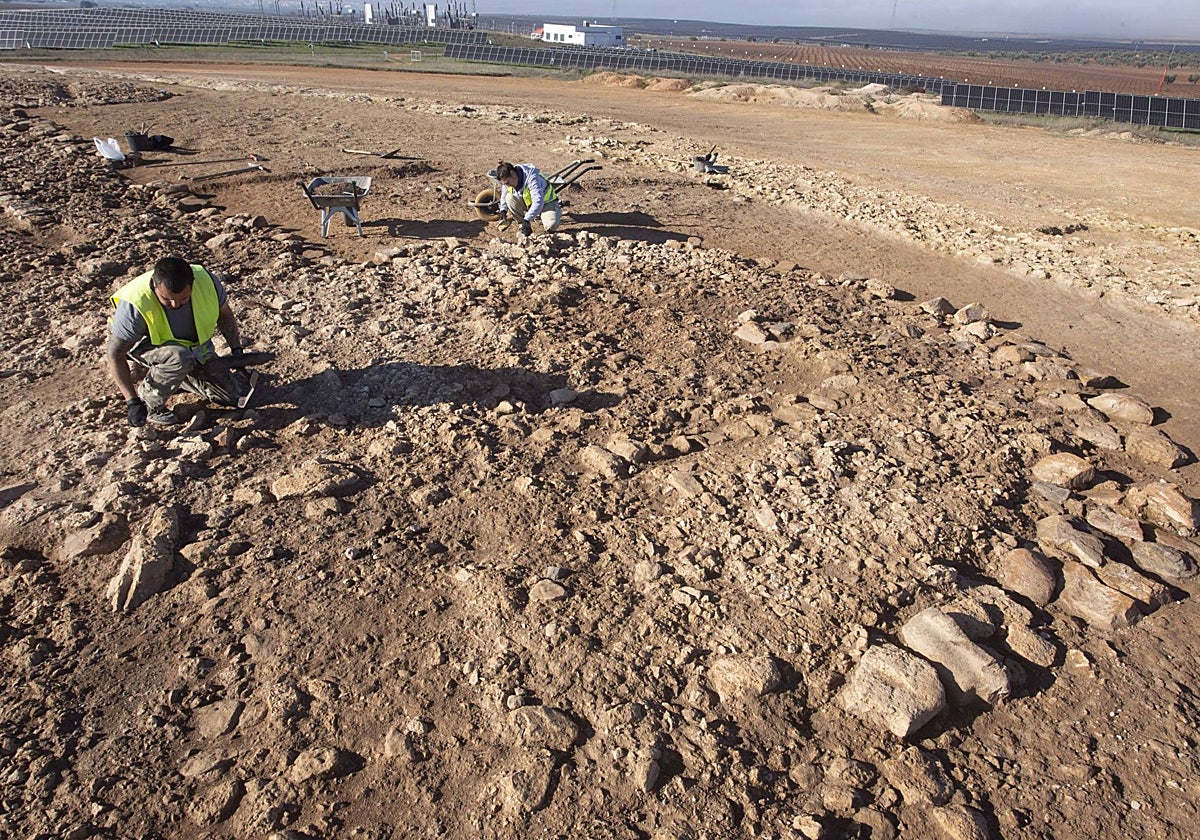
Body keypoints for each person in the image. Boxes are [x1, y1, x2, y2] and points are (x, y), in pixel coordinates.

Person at [106, 256, 249, 427]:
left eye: (183, 299)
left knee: (231, 397)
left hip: (193, 346)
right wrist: (132, 402)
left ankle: (181, 374)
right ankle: (151, 403)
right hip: (144, 344)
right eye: (167, 299)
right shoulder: (135, 304)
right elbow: (115, 354)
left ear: (192, 284)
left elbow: (225, 315)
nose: (174, 304)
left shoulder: (207, 282)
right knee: (178, 357)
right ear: (154, 284)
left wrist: (237, 351)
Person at [495, 160, 561, 236]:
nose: (507, 186)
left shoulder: (532, 178)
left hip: (546, 203)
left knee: (551, 225)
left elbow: (538, 202)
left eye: (507, 183)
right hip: (529, 203)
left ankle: (534, 221)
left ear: (512, 174)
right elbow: (504, 194)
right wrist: (503, 210)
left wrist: (527, 219)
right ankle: (523, 226)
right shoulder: (508, 180)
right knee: (509, 198)